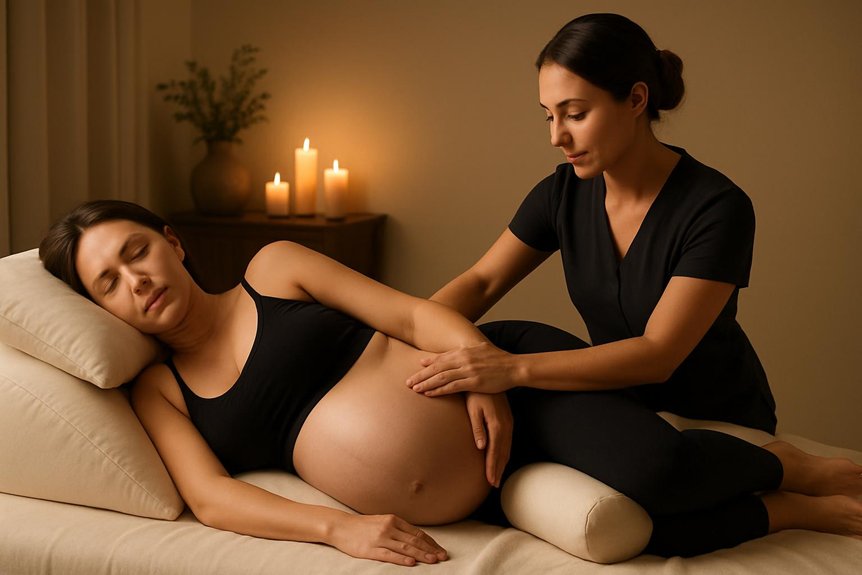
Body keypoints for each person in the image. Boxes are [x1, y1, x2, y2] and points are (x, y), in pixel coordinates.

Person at [40, 199, 862, 563]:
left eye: (135, 252)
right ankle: (797, 508)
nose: (134, 280)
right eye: (107, 282)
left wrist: (486, 378)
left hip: (505, 381)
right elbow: (213, 498)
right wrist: (339, 530)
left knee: (660, 471)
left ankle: (799, 466)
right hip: (486, 489)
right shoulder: (160, 390)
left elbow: (412, 316)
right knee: (643, 536)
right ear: (104, 310)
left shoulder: (274, 268)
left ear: (171, 242)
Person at [403, 12, 862, 556]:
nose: (557, 137)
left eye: (575, 114)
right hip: (619, 409)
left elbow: (657, 354)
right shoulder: (561, 194)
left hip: (713, 413)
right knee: (592, 522)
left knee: (663, 530)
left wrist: (508, 368)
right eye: (548, 116)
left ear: (637, 99)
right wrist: (398, 336)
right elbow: (480, 283)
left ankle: (791, 489)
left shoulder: (717, 207)